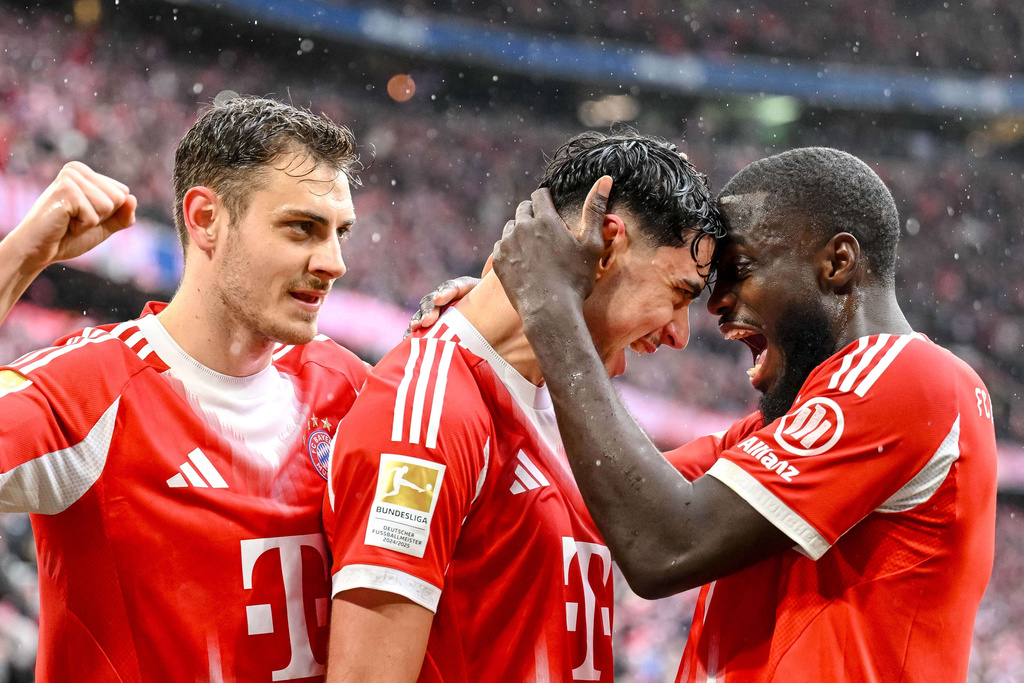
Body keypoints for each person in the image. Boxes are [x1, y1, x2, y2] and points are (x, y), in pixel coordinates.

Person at [490, 146, 997, 682]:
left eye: (740, 269)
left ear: (837, 263)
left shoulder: (910, 377)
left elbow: (664, 545)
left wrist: (552, 309)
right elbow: (591, 495)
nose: (715, 303)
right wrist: (485, 339)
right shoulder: (794, 421)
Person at [322, 131, 725, 683]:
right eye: (678, 294)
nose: (680, 334)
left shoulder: (562, 406)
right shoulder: (428, 414)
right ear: (606, 243)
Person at [0, 97, 368, 681]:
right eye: (303, 228)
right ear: (205, 219)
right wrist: (19, 257)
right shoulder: (88, 390)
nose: (334, 262)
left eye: (340, 233)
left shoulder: (347, 385)